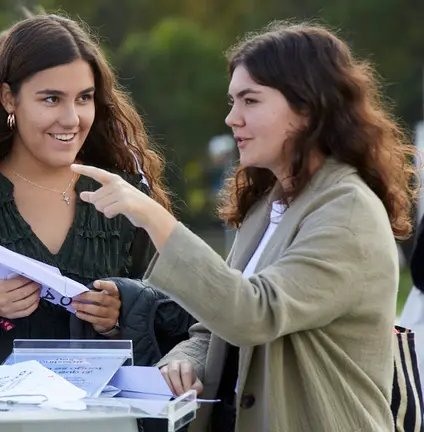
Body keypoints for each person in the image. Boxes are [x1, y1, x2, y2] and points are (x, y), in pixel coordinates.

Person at [71, 22, 420, 431]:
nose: (232, 118)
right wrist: (183, 361)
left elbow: (253, 313)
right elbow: (214, 327)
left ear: (308, 108)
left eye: (250, 100)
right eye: (233, 101)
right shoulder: (270, 204)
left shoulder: (347, 210)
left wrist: (151, 215)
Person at [0, 14, 194, 432]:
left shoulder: (126, 197)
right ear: (9, 99)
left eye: (84, 98)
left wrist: (124, 307)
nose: (71, 118)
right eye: (51, 99)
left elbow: (183, 322)